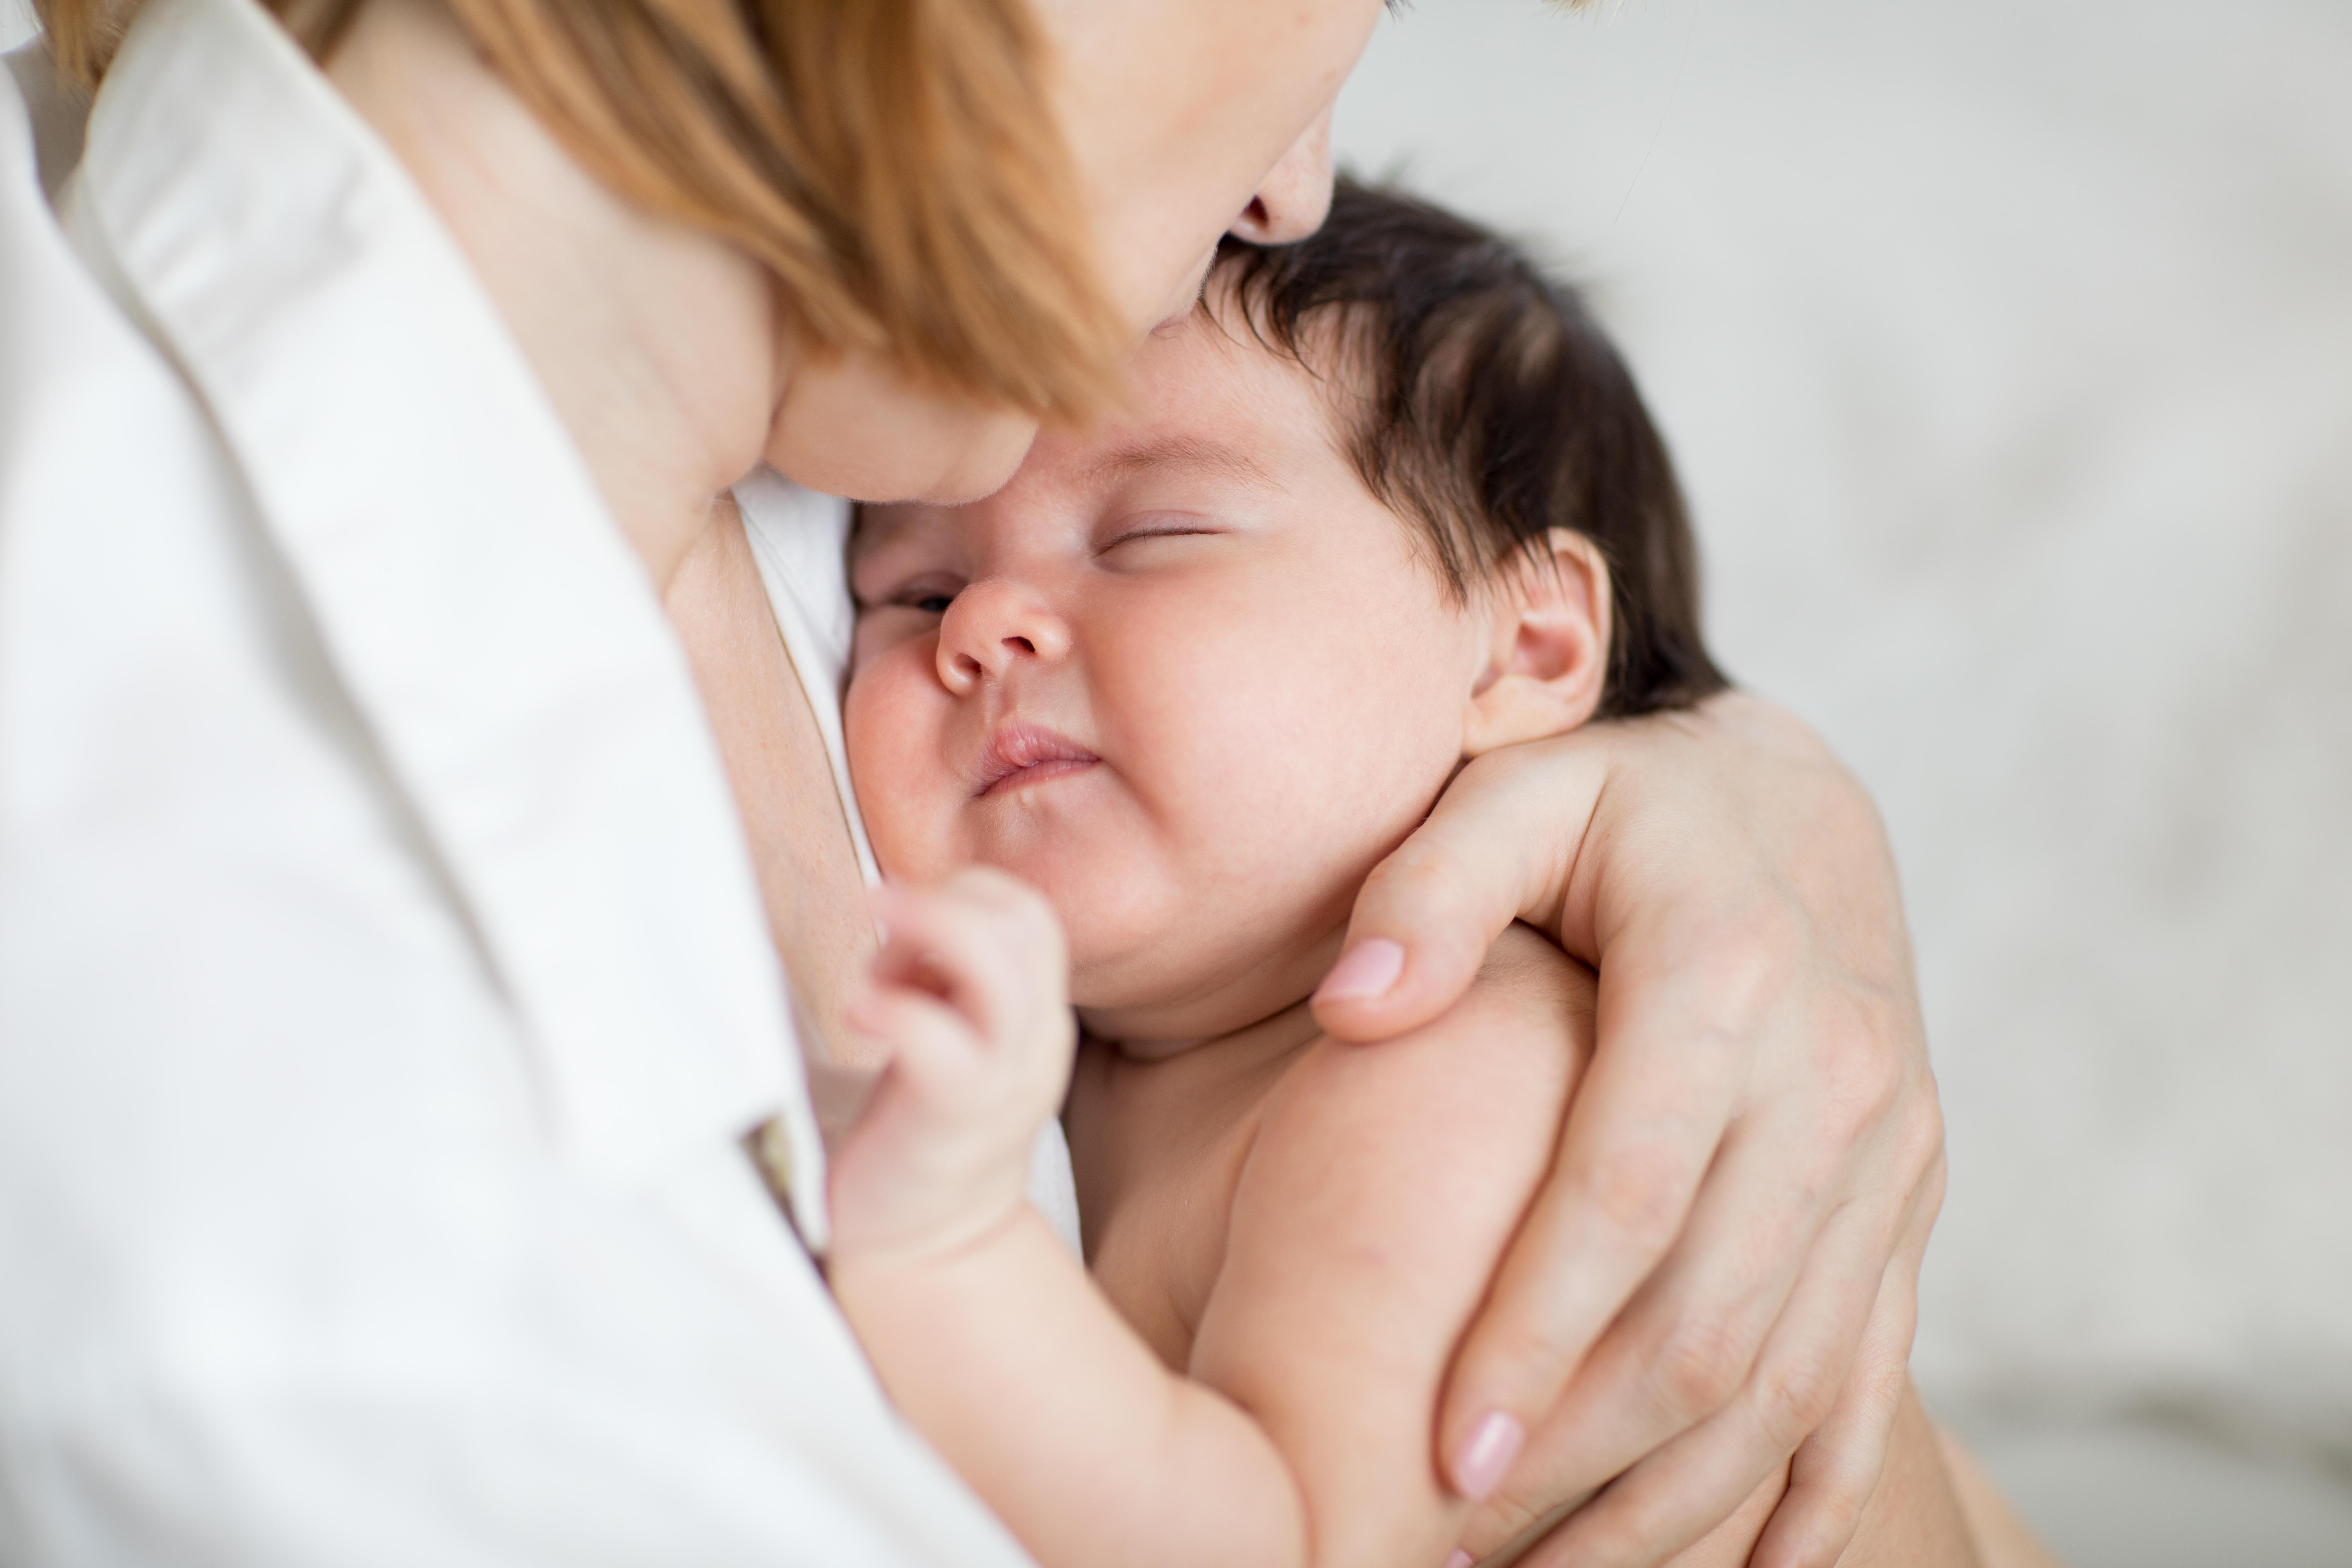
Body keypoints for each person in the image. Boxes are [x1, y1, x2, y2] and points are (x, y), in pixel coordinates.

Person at [0, 0, 1940, 1563]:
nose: (1289, 186)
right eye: (916, 593)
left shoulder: (818, 364)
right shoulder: (279, 1291)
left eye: (1158, 536)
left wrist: (1716, 790)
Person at [825, 181, 2003, 1568]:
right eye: (911, 595)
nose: (985, 625)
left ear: (1526, 649)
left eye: (1152, 537)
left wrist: (946, 1247)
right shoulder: (1108, 1043)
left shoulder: (1456, 1071)